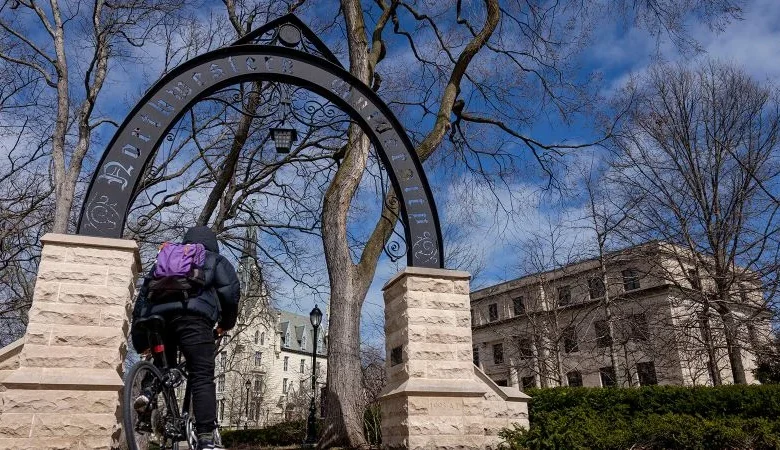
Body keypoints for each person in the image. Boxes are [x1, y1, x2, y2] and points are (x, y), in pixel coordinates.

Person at [131, 226, 240, 450]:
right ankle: (206, 438)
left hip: (158, 319)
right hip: (193, 319)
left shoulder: (165, 259)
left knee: (163, 368)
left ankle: (148, 393)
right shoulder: (215, 260)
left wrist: (142, 339)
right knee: (201, 375)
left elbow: (142, 298)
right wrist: (225, 324)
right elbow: (230, 294)